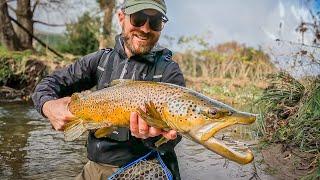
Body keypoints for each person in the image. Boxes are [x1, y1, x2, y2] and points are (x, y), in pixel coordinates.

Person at [32, 0, 185, 179]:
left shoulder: (169, 71)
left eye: (155, 22)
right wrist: (48, 106)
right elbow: (47, 84)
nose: (145, 28)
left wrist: (153, 137)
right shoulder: (99, 61)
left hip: (145, 167)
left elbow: (174, 137)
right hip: (93, 166)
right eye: (138, 19)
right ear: (121, 17)